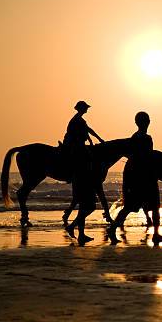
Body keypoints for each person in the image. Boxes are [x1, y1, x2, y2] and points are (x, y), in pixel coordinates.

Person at [109, 112, 162, 244]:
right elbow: (148, 157)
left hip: (133, 176)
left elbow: (134, 157)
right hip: (145, 176)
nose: (148, 122)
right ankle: (156, 235)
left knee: (130, 207)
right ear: (146, 122)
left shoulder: (134, 137)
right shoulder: (147, 138)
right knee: (154, 206)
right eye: (147, 120)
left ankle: (112, 228)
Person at [63, 101, 104, 244]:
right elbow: (83, 134)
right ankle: (73, 227)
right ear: (82, 109)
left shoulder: (80, 120)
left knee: (84, 207)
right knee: (90, 206)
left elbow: (88, 131)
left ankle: (80, 234)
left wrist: (97, 139)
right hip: (77, 153)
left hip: (78, 150)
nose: (87, 109)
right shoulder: (76, 121)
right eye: (85, 107)